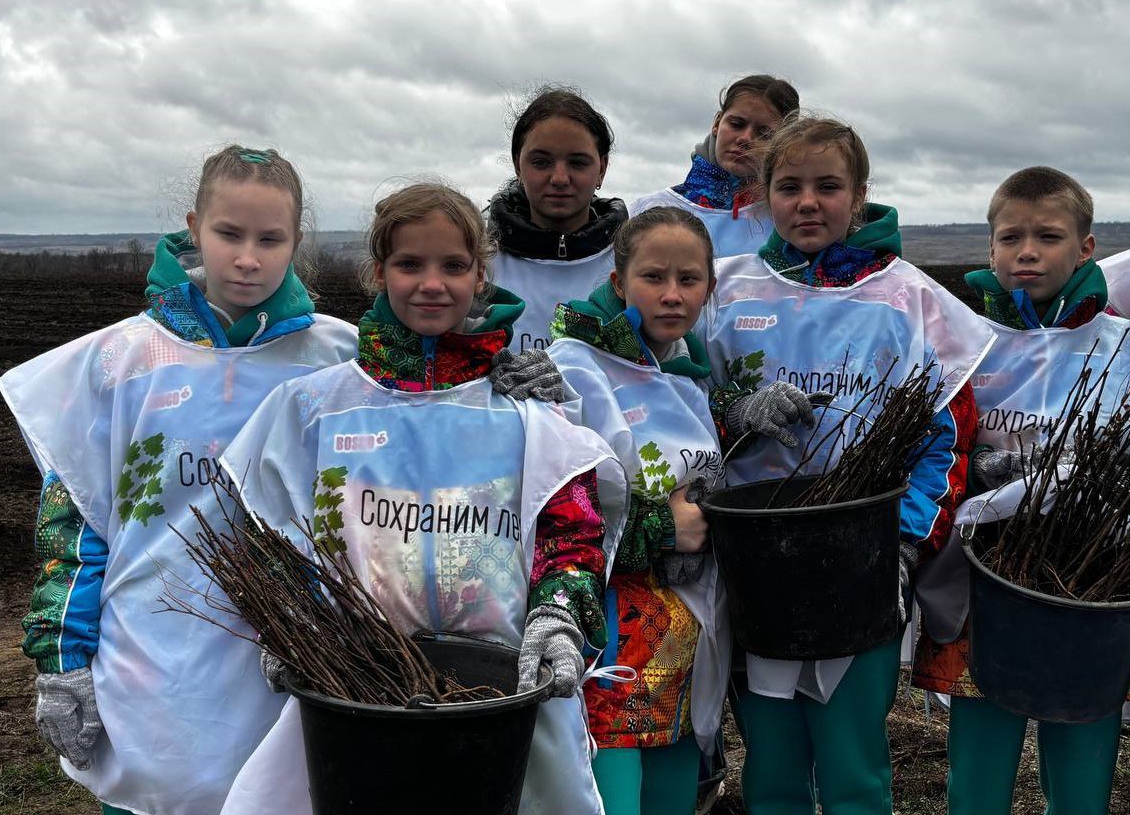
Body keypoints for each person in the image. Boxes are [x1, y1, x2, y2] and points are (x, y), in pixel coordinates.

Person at [216, 182, 629, 815]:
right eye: (410, 264)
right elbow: (267, 527)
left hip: (504, 692)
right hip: (359, 689)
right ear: (378, 272)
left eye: (453, 266)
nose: (431, 283)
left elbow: (568, 524)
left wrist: (559, 615)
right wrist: (293, 617)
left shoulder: (521, 409)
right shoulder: (316, 408)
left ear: (479, 275)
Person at [1, 146, 361, 815]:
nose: (247, 258)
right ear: (195, 228)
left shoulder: (336, 358)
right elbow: (76, 519)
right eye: (229, 234)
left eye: (269, 239)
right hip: (153, 665)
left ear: (296, 241)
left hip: (288, 665)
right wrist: (61, 655)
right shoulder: (122, 360)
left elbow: (403, 461)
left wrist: (516, 386)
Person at [702, 115, 994, 815]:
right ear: (762, 195)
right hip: (755, 563)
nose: (808, 202)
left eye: (827, 186)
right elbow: (674, 412)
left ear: (858, 194)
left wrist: (903, 540)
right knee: (769, 765)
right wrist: (735, 413)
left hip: (864, 565)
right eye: (790, 185)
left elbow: (945, 437)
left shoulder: (910, 298)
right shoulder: (723, 291)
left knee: (854, 767)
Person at [911, 166, 1130, 814]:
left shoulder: (1126, 346)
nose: (1027, 251)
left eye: (1047, 235)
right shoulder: (961, 342)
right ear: (989, 249)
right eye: (1010, 237)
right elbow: (935, 444)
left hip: (1090, 587)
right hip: (980, 585)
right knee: (977, 767)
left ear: (1086, 247)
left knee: (1080, 767)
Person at [546, 207, 736, 815]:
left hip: (680, 647)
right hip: (610, 650)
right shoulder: (574, 370)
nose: (673, 295)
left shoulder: (689, 376)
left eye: (690, 279)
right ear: (619, 281)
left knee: (673, 797)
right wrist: (662, 530)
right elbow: (556, 517)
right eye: (654, 277)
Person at [487, 86, 628, 355]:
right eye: (541, 162)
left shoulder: (631, 264)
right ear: (518, 165)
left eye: (578, 163)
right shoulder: (477, 263)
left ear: (602, 168)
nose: (560, 178)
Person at [629, 75, 799, 258]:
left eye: (764, 134)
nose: (745, 139)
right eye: (736, 124)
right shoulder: (651, 209)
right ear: (717, 122)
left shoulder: (792, 221)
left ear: (784, 142)